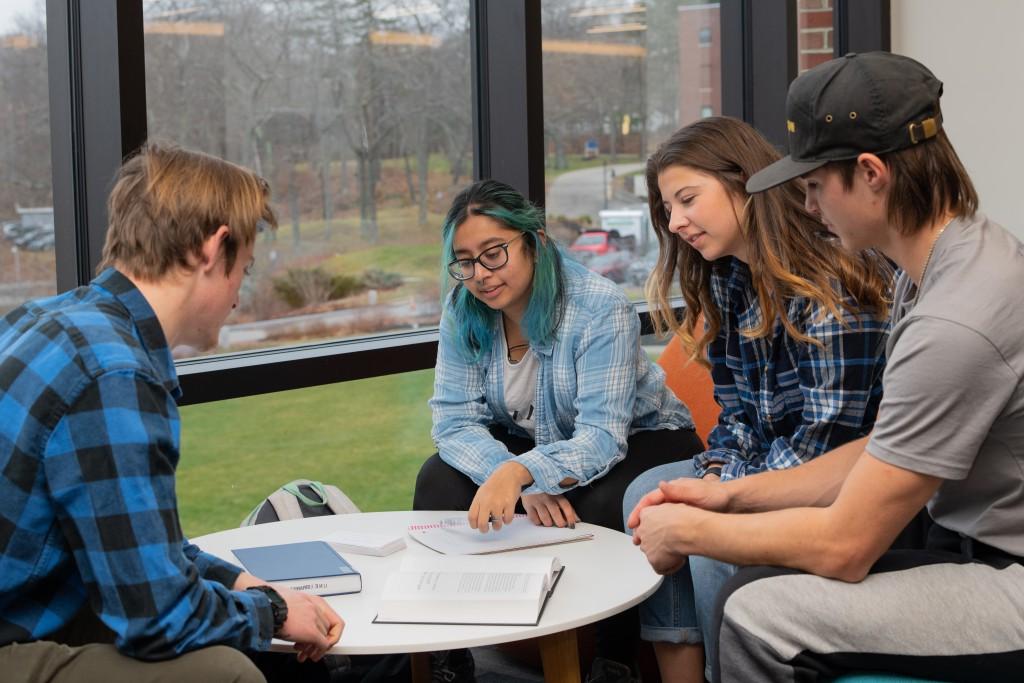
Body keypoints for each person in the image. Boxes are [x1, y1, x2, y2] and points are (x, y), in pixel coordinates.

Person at [629, 51, 1024, 683]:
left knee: (760, 615)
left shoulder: (955, 317)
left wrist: (689, 532)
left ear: (871, 173)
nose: (807, 207)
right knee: (745, 593)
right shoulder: (944, 266)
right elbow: (882, 447)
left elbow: (846, 545)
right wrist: (728, 491)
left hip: (1009, 578)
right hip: (967, 544)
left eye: (814, 186)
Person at [0, 143, 343, 683]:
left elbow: (131, 539)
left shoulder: (49, 319)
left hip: (28, 602)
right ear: (213, 249)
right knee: (225, 671)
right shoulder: (114, 375)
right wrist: (276, 612)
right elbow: (156, 618)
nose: (238, 297)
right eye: (243, 272)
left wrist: (242, 586)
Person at [620, 116, 891, 683]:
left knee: (712, 539)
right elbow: (736, 416)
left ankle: (729, 669)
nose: (676, 222)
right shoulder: (730, 279)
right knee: (646, 493)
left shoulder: (830, 281)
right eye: (668, 209)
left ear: (744, 180)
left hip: (843, 487)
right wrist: (719, 475)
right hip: (769, 467)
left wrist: (723, 497)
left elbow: (826, 447)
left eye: (687, 199)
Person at [414, 179, 702, 678]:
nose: (480, 275)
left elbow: (601, 437)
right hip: (537, 444)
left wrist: (523, 475)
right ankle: (448, 655)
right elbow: (453, 421)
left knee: (596, 504)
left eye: (494, 253)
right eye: (465, 261)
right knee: (436, 478)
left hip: (642, 437)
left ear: (536, 242)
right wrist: (514, 474)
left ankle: (613, 662)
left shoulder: (599, 308)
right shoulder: (462, 313)